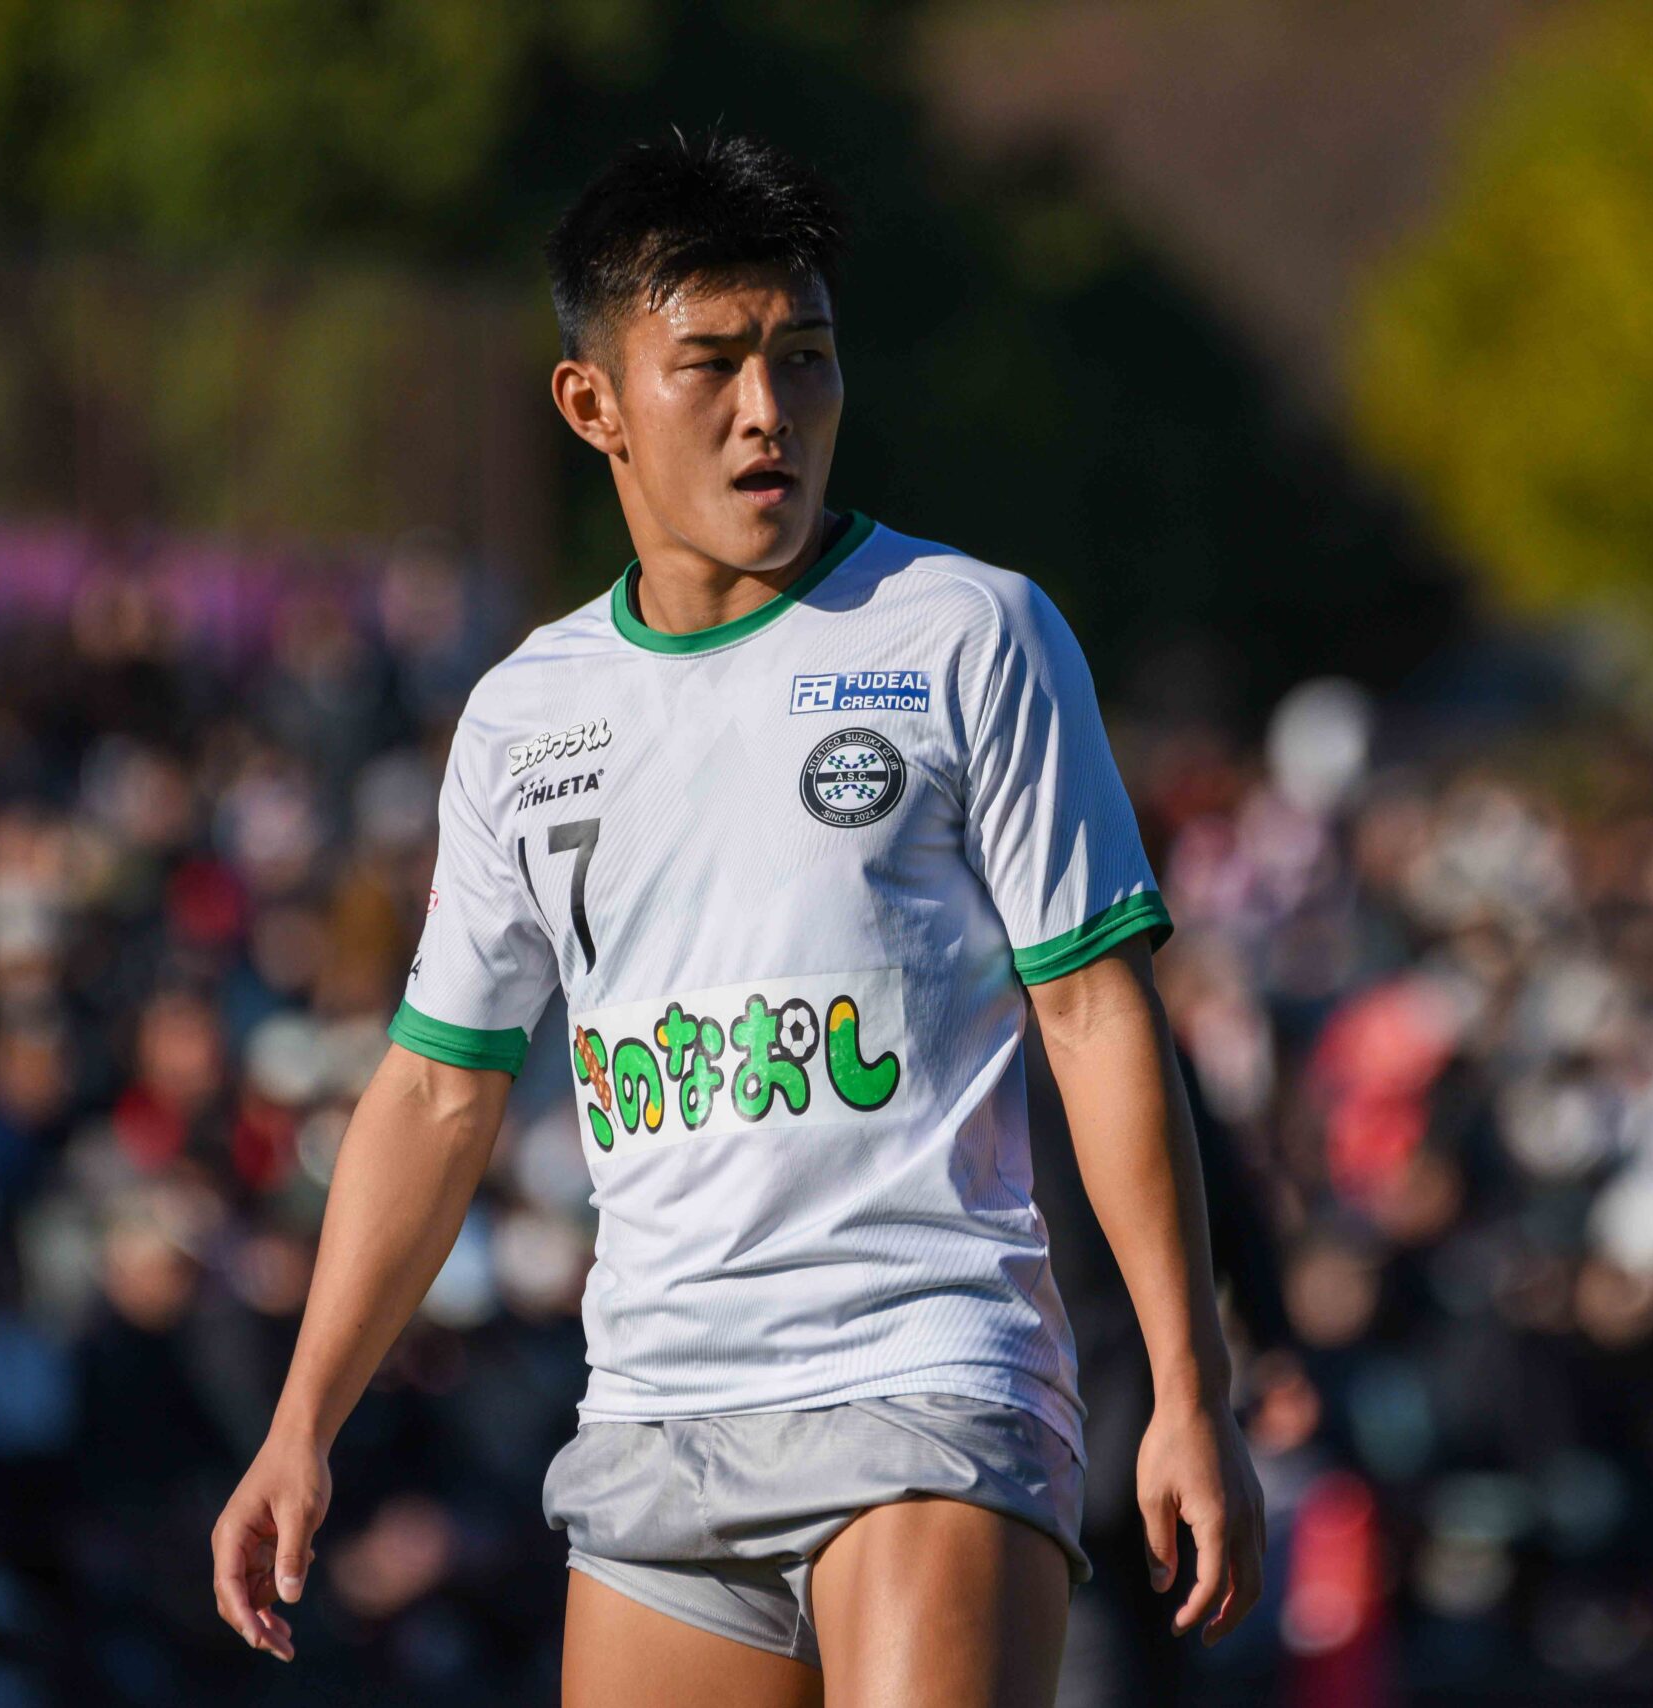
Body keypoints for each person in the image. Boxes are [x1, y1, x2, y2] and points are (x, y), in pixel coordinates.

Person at [207, 128, 1265, 1708]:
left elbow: (1097, 1013)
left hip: (929, 1378)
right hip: (654, 1419)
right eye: (711, 364)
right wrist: (301, 1423)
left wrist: (1190, 1385)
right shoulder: (522, 717)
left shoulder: (971, 632)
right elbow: (434, 1089)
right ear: (594, 404)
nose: (771, 408)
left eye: (806, 356)